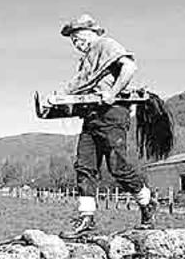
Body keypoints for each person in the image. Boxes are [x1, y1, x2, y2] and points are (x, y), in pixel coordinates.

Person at [58, 14, 157, 239]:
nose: (75, 42)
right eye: (72, 39)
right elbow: (78, 87)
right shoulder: (84, 62)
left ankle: (147, 203)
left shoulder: (107, 44)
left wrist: (112, 93)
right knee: (84, 167)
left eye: (77, 36)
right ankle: (86, 219)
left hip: (112, 115)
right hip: (91, 118)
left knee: (118, 167)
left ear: (91, 32)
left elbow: (129, 67)